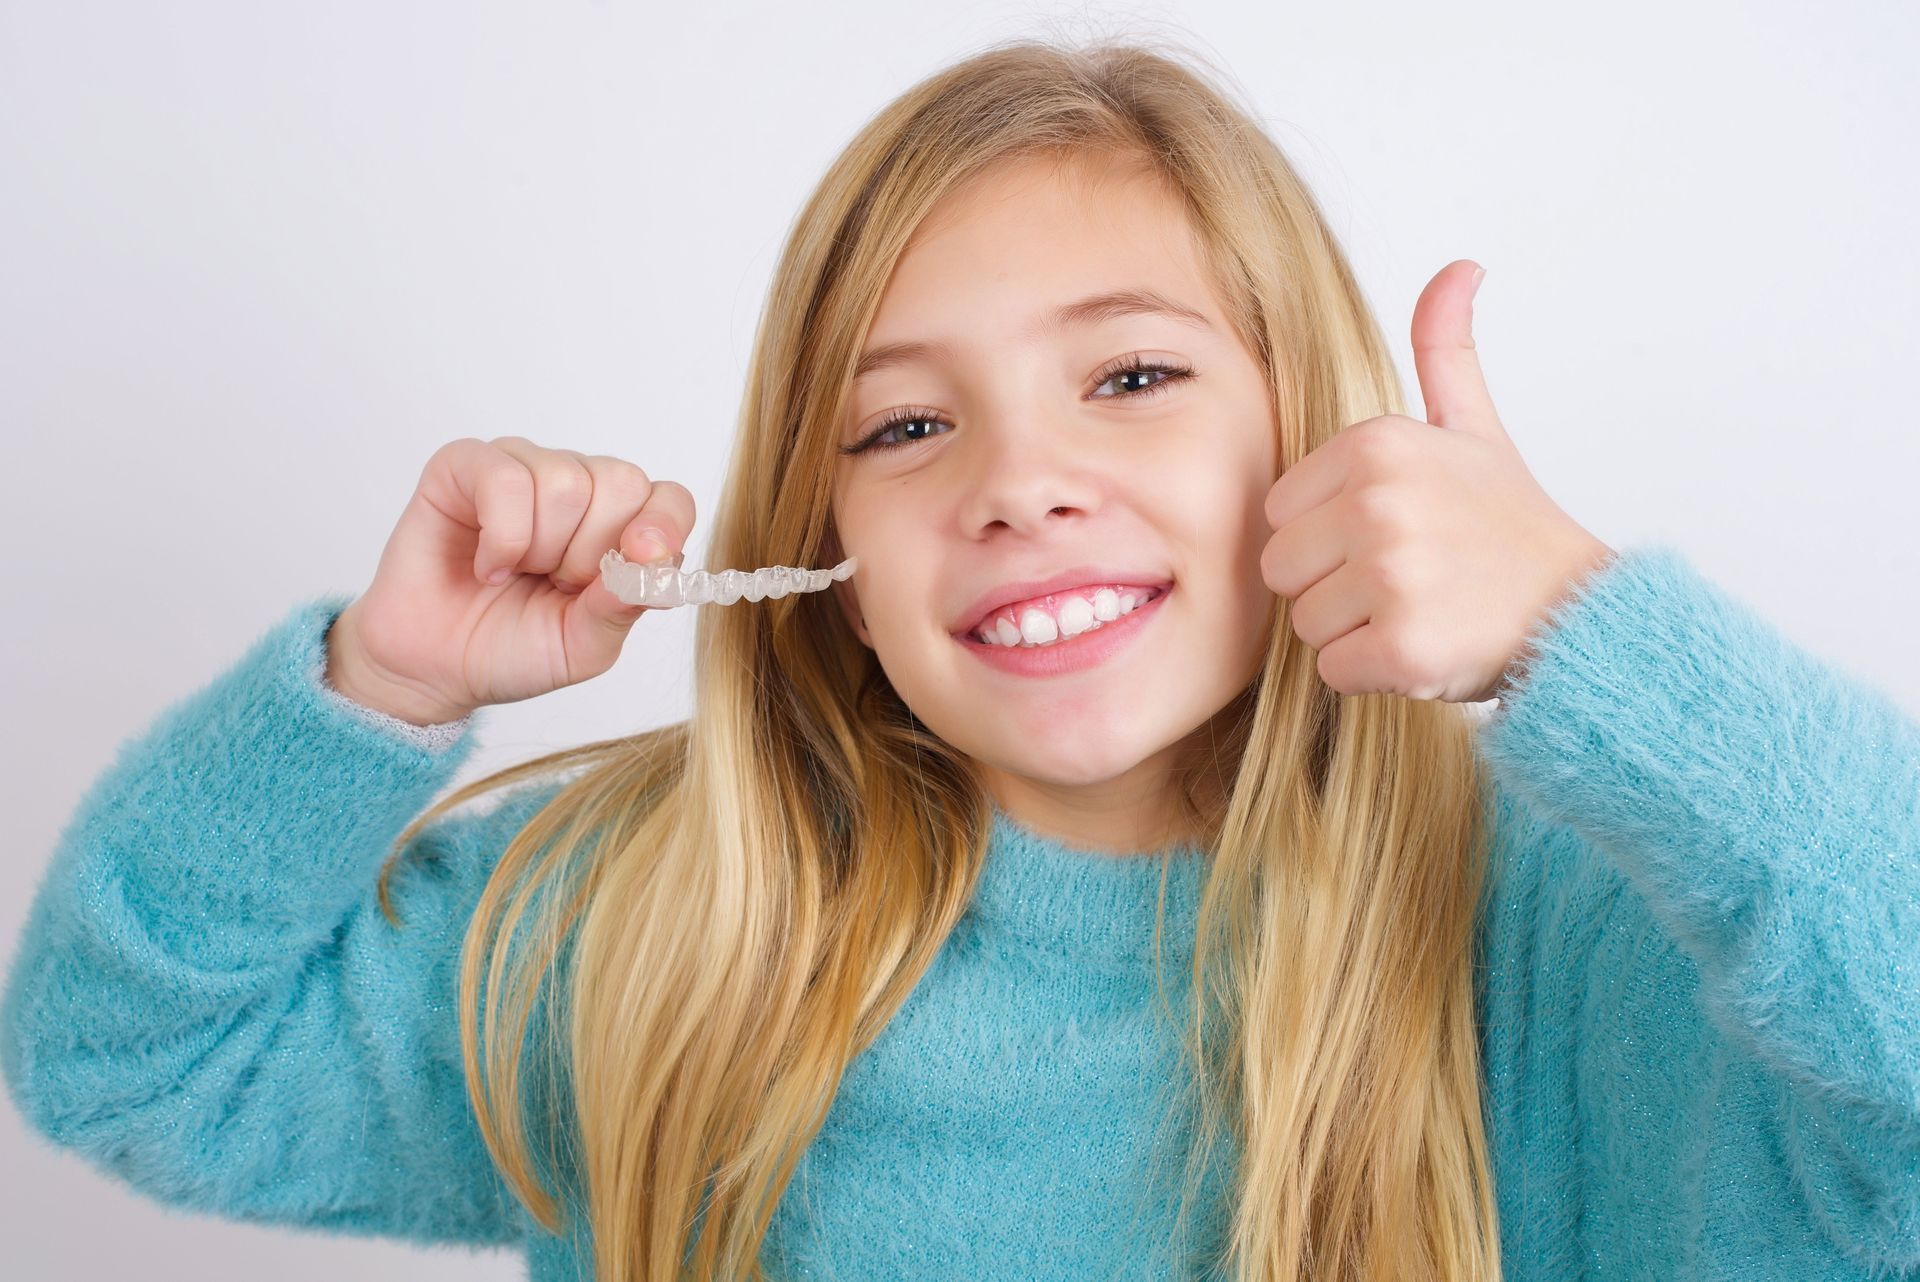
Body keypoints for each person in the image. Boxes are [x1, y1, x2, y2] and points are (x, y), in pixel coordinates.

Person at [5, 35, 1918, 1282]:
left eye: (1135, 376)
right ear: (824, 556)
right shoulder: (664, 919)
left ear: (1317, 443)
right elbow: (123, 1058)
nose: (1018, 483)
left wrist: (1594, 638)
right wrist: (379, 690)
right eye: (906, 426)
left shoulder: (1549, 951)